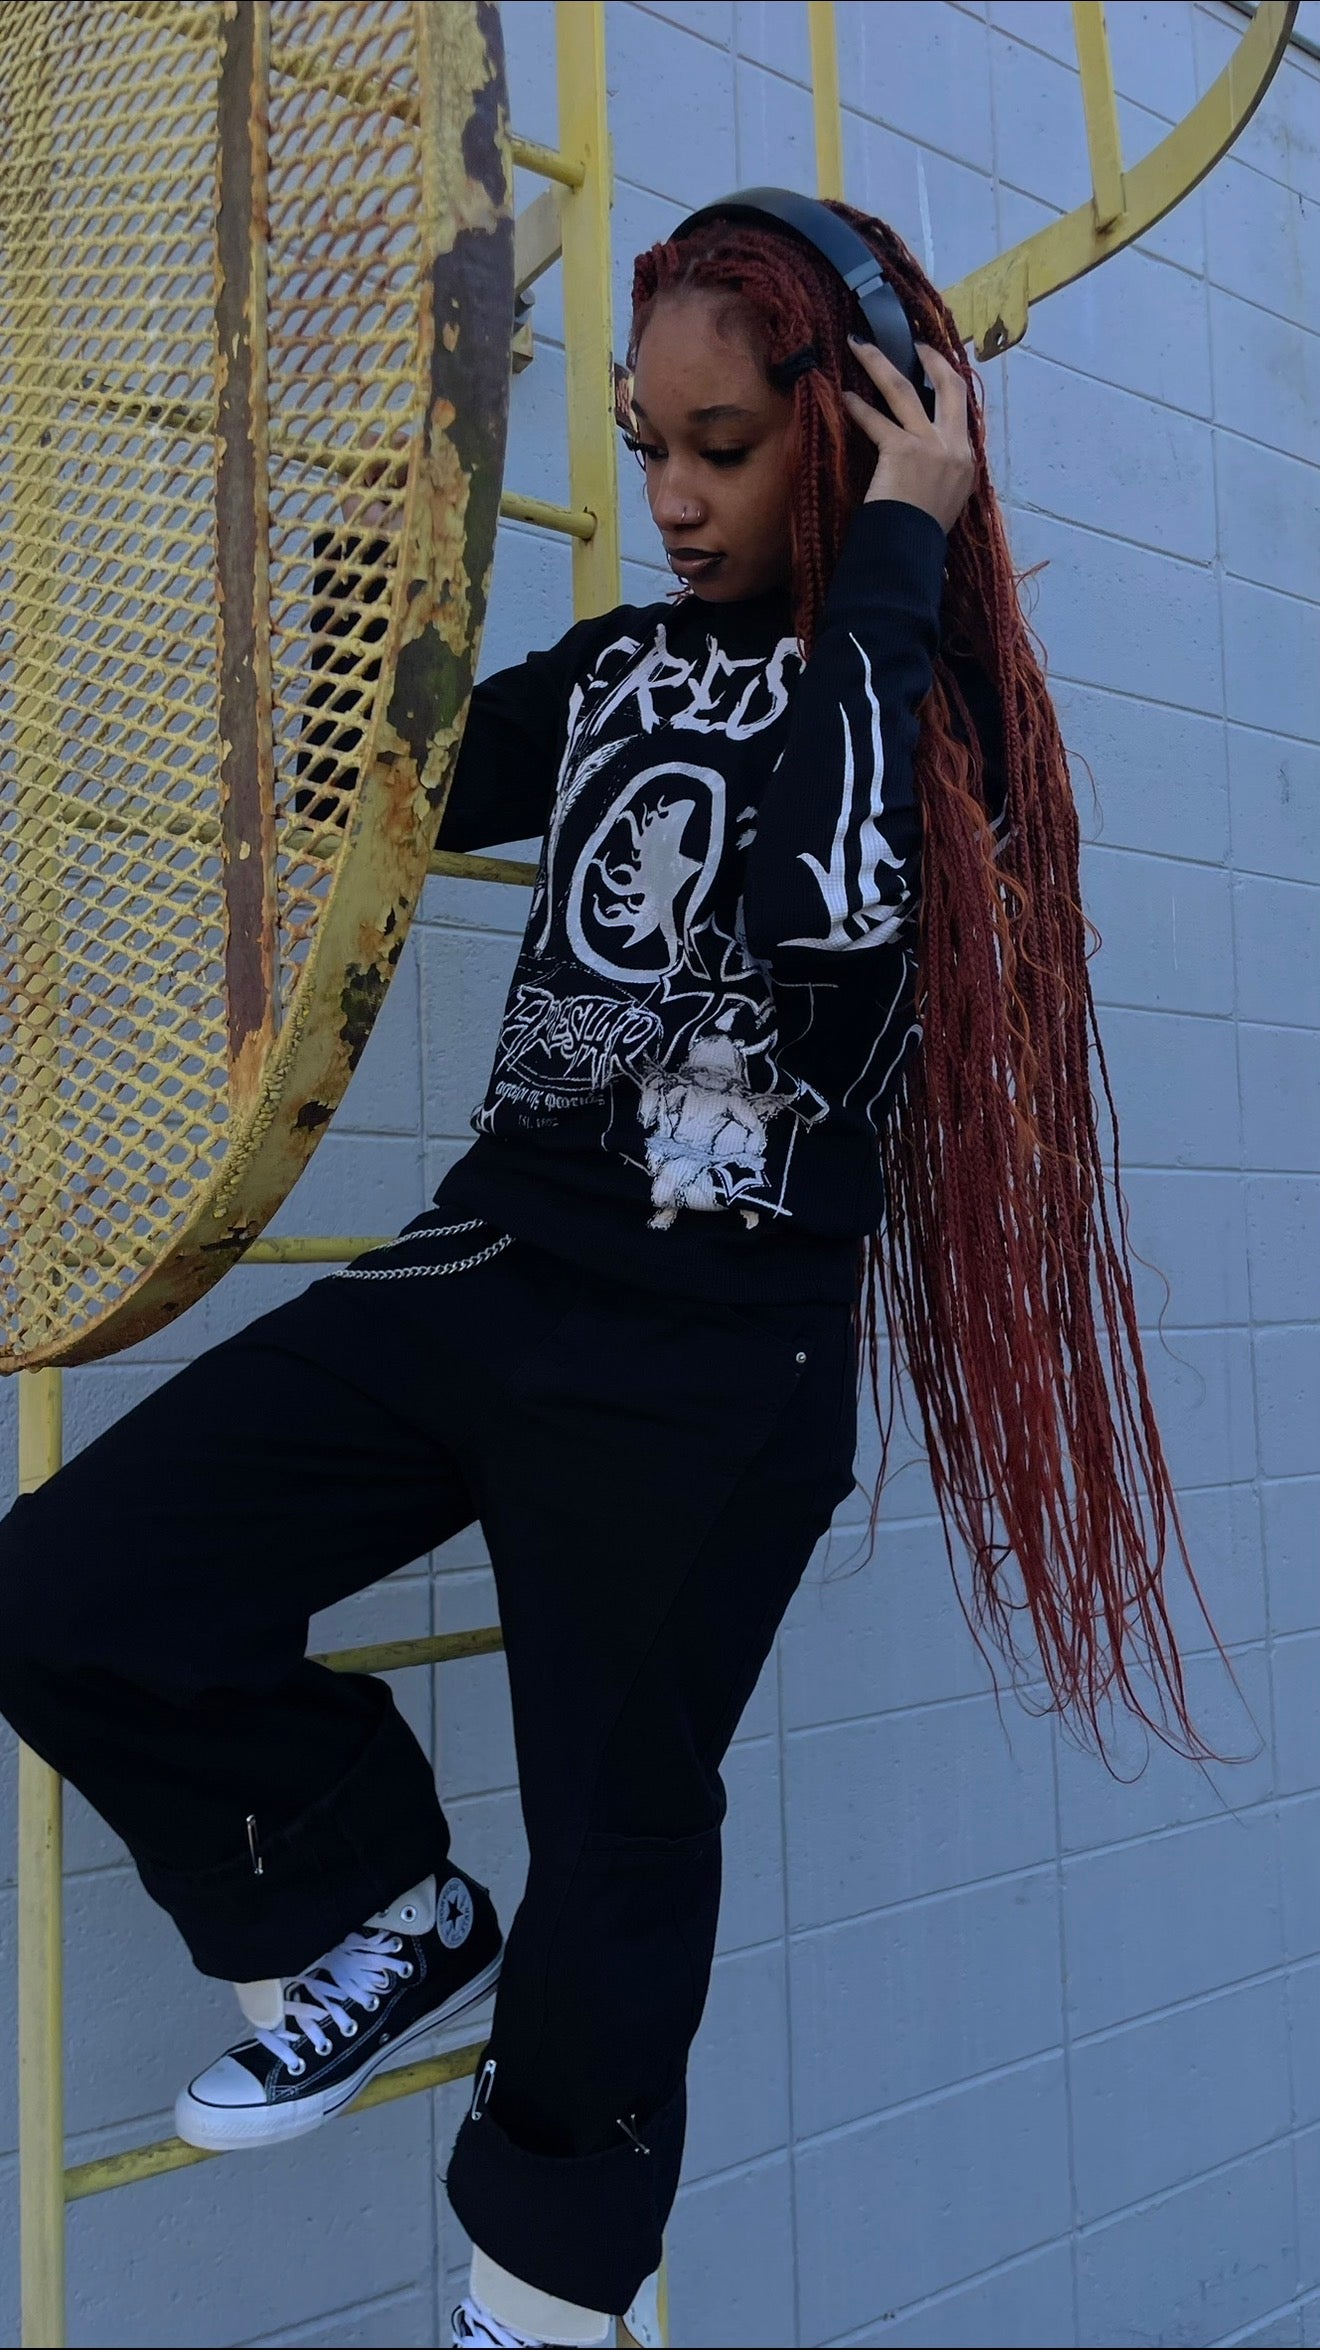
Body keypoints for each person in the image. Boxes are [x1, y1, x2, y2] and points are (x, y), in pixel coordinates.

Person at [0, 201, 1208, 2350]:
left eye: (721, 447)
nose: (670, 498)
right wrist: (388, 482)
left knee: (618, 1825)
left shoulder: (937, 711)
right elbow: (373, 771)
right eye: (651, 442)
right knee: (66, 1583)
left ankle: (543, 2289)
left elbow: (829, 906)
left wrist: (905, 545)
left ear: (868, 429)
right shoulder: (625, 669)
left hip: (713, 1354)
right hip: (493, 1263)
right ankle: (375, 1898)